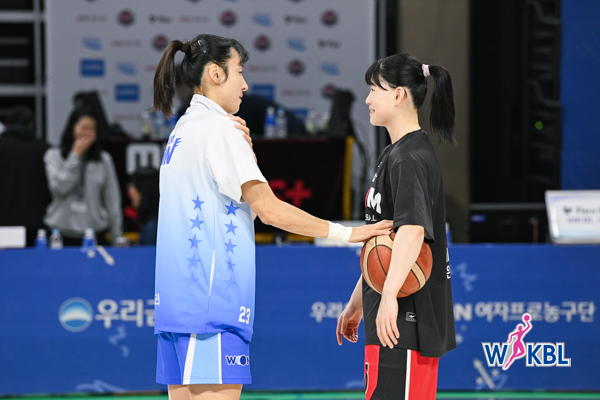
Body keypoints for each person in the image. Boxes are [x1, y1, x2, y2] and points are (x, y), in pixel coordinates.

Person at [152, 34, 392, 400]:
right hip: (211, 306)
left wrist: (246, 156)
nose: (245, 85)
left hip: (178, 305)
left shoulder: (183, 129)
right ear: (215, 74)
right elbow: (270, 209)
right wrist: (347, 233)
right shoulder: (221, 129)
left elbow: (231, 207)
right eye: (239, 71)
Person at [336, 53, 457, 400]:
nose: (368, 99)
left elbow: (412, 231)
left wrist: (389, 295)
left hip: (405, 320)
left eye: (374, 89)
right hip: (390, 317)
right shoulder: (394, 154)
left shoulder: (409, 158)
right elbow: (382, 246)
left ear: (399, 95)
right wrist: (358, 302)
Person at [44, 106, 122, 246]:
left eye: (92, 129)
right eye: (83, 127)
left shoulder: (103, 160)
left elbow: (112, 200)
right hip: (60, 235)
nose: (87, 133)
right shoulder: (53, 156)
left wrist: (116, 235)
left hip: (95, 234)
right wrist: (75, 155)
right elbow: (60, 188)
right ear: (72, 128)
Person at [0, 106, 51, 246]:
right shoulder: (45, 149)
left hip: (3, 224)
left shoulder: (2, 147)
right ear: (32, 124)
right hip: (37, 223)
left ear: (7, 124)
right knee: (36, 260)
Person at [128, 167, 159, 245]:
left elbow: (146, 252)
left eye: (133, 187)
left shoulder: (151, 228)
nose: (130, 192)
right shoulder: (149, 224)